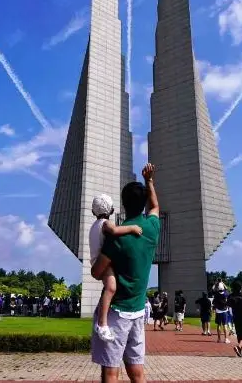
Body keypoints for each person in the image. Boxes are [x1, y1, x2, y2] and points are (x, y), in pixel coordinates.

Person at [90, 163, 162, 383]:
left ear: (122, 204)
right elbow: (155, 207)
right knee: (137, 371)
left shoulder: (116, 238)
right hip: (139, 312)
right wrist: (149, 180)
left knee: (111, 372)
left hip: (116, 313)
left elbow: (96, 272)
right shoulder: (151, 228)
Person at [90, 193, 144, 341]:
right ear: (112, 211)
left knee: (108, 289)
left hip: (97, 261)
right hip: (101, 263)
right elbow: (115, 231)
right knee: (111, 287)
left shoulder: (94, 225)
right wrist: (132, 228)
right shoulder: (105, 224)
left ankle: (101, 320)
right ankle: (102, 324)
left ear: (93, 211)